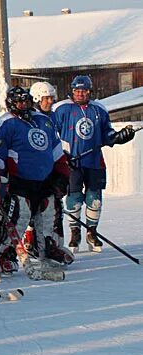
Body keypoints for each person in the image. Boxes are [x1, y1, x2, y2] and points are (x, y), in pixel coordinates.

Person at [0, 86, 71, 280]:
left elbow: (56, 149)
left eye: (26, 101)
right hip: (18, 181)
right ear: (11, 104)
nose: (24, 105)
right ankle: (1, 256)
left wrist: (62, 173)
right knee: (19, 216)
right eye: (20, 102)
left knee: (50, 214)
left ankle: (47, 249)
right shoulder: (6, 122)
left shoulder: (43, 121)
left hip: (45, 180)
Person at [53, 75, 136, 252]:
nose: (80, 94)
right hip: (72, 162)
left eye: (84, 91)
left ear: (90, 91)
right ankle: (75, 233)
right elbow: (52, 135)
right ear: (72, 91)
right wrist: (60, 154)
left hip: (94, 161)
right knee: (73, 199)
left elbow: (107, 134)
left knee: (94, 199)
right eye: (77, 91)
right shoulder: (61, 109)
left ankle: (92, 232)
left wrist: (119, 137)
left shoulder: (98, 109)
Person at [24, 81, 63, 251]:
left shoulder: (52, 117)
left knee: (54, 209)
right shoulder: (29, 118)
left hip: (50, 170)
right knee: (32, 210)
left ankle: (53, 243)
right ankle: (31, 241)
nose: (50, 102)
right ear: (37, 99)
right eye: (46, 98)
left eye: (51, 98)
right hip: (31, 173)